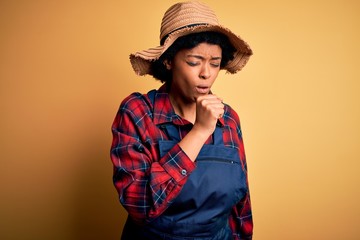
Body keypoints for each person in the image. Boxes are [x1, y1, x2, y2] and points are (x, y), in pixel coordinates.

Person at [110, 1, 253, 239]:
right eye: (194, 62)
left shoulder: (228, 119)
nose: (206, 73)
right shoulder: (137, 112)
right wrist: (199, 131)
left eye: (215, 64)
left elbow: (241, 206)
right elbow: (141, 206)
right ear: (168, 61)